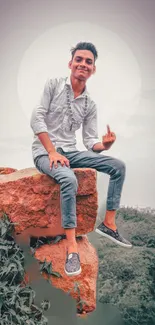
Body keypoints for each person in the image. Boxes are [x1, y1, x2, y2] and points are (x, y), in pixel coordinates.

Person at [30, 42, 132, 277]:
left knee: (118, 166)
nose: (83, 64)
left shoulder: (89, 104)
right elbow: (37, 119)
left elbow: (89, 142)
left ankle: (109, 224)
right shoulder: (54, 85)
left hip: (71, 151)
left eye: (88, 61)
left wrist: (104, 145)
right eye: (79, 59)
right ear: (71, 63)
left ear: (93, 69)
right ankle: (72, 248)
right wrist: (52, 151)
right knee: (69, 180)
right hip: (45, 152)